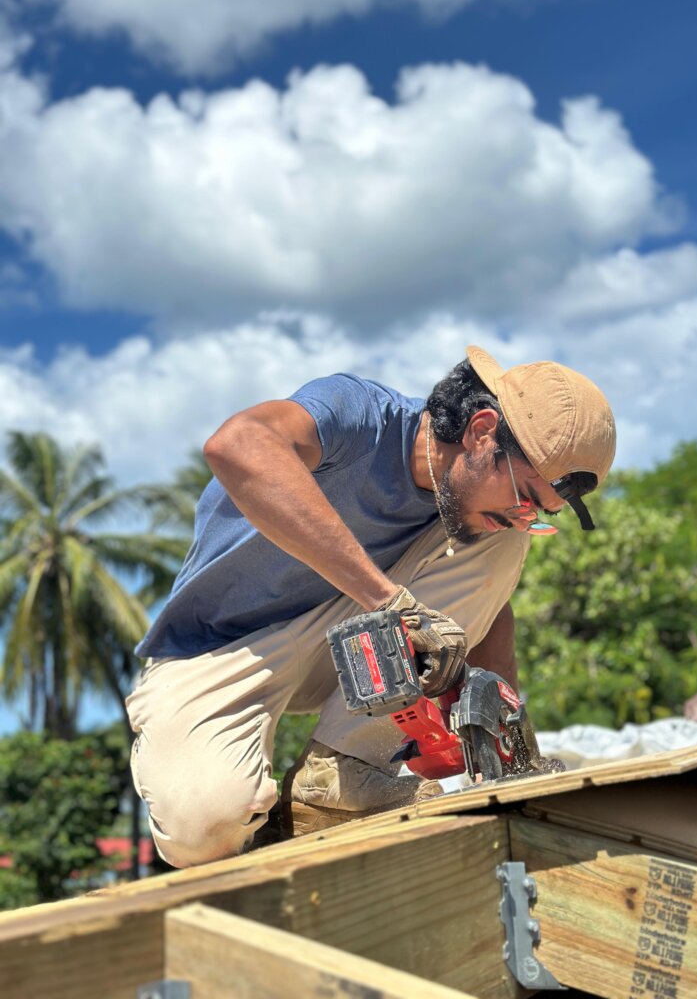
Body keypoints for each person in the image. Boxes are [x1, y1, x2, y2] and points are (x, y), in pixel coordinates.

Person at [126, 345, 616, 867]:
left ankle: (336, 777)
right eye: (526, 497)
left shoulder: (477, 516)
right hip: (219, 652)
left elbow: (491, 611)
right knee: (204, 827)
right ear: (480, 431)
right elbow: (237, 445)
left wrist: (512, 750)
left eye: (542, 512)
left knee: (503, 541)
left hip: (346, 640)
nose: (525, 516)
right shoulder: (360, 415)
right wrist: (391, 604)